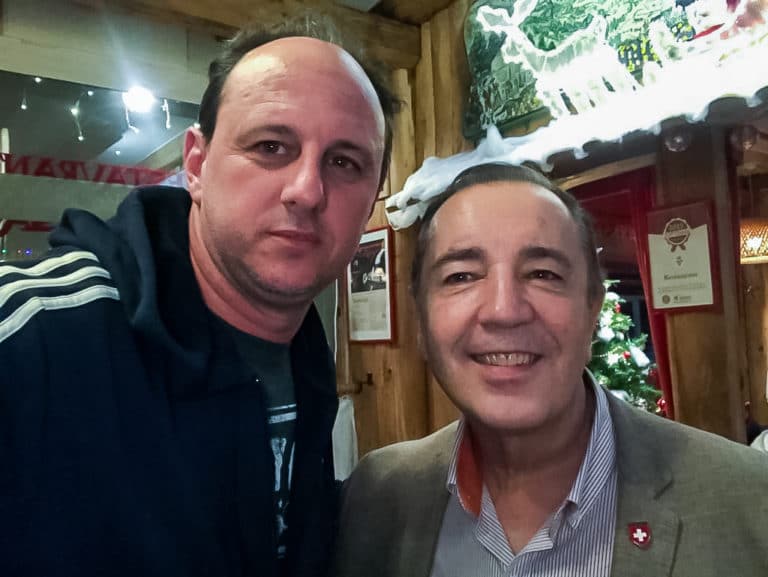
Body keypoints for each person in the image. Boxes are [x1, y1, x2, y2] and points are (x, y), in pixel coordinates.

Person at [0, 19, 398, 577]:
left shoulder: (305, 363)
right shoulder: (35, 334)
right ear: (196, 165)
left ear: (373, 196)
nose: (307, 190)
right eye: (270, 146)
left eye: (344, 162)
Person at [335, 162, 768, 577]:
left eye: (543, 274)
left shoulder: (750, 501)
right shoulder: (376, 498)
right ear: (422, 320)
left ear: (592, 308)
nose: (504, 311)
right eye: (461, 276)